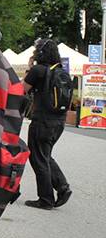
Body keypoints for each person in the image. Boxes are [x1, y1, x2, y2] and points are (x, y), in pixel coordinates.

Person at [22, 38, 72, 210]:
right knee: (45, 155)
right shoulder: (60, 71)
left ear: (39, 52)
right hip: (59, 122)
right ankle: (62, 187)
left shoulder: (37, 70)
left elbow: (22, 90)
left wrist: (29, 66)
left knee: (38, 158)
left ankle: (46, 199)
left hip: (42, 121)